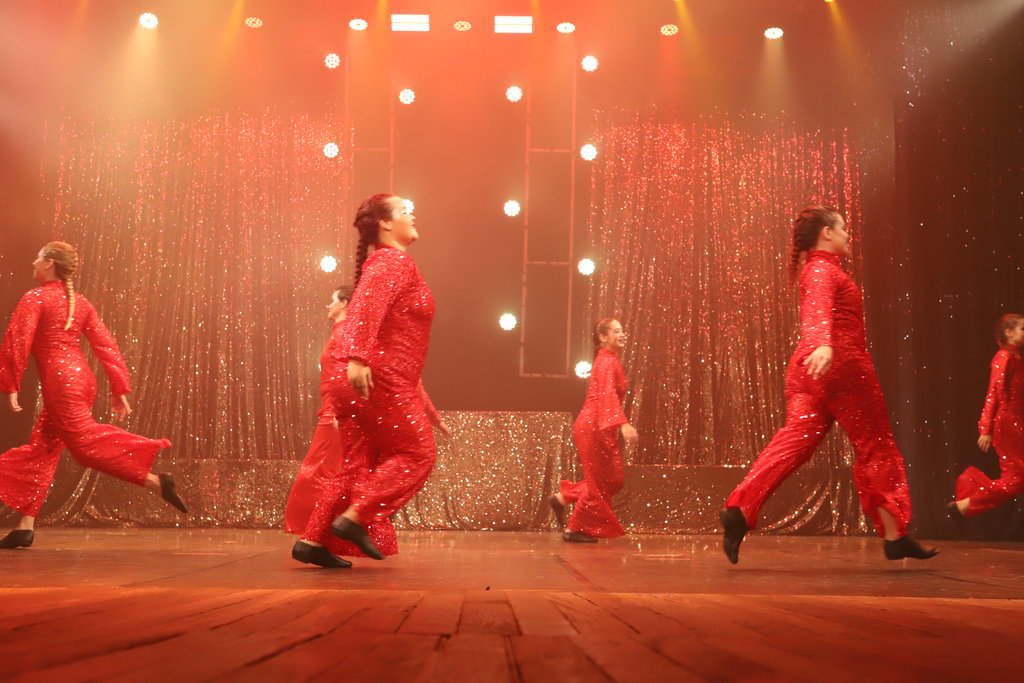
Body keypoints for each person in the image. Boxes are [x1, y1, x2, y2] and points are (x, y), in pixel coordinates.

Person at [719, 207, 937, 564]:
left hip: (808, 371)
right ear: (827, 233)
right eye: (843, 228)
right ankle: (895, 534)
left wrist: (818, 346)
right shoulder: (822, 270)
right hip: (841, 367)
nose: (849, 235)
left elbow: (816, 307)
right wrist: (823, 343)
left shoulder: (815, 269)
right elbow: (818, 308)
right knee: (876, 444)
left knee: (794, 443)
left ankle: (740, 510)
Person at [0, 241, 186, 549]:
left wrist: (11, 384)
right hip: (81, 380)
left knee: (84, 446)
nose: (33, 262)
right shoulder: (80, 303)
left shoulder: (36, 297)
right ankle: (25, 526)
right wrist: (118, 386)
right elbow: (106, 344)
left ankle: (156, 481)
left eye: (38, 257)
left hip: (62, 384)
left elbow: (18, 338)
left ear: (49, 263)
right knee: (42, 450)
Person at [321, 193, 439, 561]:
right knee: (418, 453)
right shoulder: (393, 261)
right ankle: (355, 517)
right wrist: (356, 356)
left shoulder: (385, 262)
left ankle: (314, 541)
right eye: (405, 210)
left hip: (371, 377)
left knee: (357, 465)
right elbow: (365, 306)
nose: (412, 215)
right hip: (378, 378)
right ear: (386, 223)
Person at [549, 318, 638, 543]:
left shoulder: (610, 359)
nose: (622, 334)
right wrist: (623, 423)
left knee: (613, 480)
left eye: (622, 330)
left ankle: (565, 497)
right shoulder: (606, 360)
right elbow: (608, 395)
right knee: (600, 483)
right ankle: (574, 529)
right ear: (603, 337)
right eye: (616, 331)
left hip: (600, 426)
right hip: (593, 426)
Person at [950, 313, 1024, 517]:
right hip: (1009, 426)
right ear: (1009, 333)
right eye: (1022, 329)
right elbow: (993, 393)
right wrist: (986, 429)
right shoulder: (1004, 357)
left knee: (1017, 481)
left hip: (1017, 423)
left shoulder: (1016, 357)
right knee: (1016, 480)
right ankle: (966, 503)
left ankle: (965, 505)